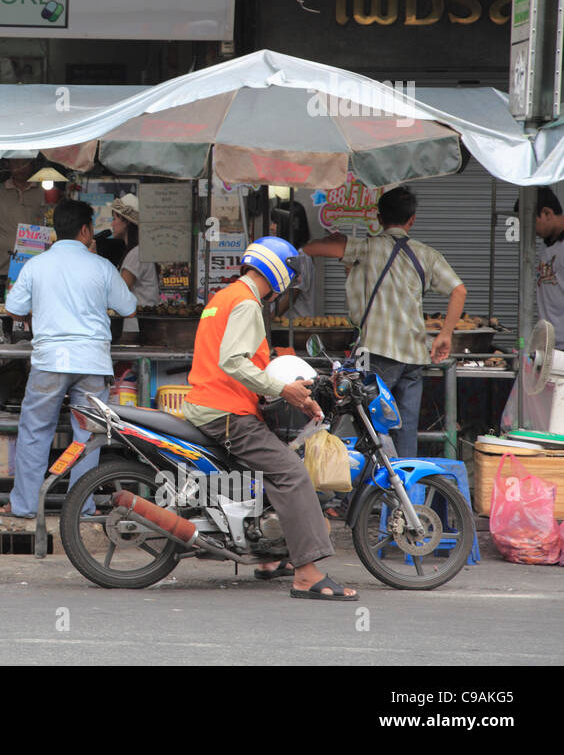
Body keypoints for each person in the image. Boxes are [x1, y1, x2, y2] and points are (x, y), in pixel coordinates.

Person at [181, 236, 357, 601]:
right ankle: (308, 574)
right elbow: (233, 362)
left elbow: (236, 363)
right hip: (226, 413)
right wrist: (283, 390)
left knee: (274, 464)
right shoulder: (245, 303)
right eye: (290, 274)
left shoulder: (225, 297)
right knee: (291, 474)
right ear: (277, 270)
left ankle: (270, 556)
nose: (290, 282)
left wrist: (292, 394)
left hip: (211, 404)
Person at [0, 199, 137, 518]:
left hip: (49, 361)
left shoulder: (36, 265)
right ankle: (81, 506)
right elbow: (129, 307)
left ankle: (25, 505)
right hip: (92, 361)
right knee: (87, 436)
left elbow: (13, 309)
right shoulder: (100, 267)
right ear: (86, 230)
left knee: (35, 431)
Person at [302, 186, 466, 458]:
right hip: (414, 356)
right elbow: (459, 290)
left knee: (365, 423)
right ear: (412, 219)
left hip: (377, 353)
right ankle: (407, 496)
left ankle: (367, 494)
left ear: (378, 218)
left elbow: (314, 248)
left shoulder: (367, 247)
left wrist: (317, 242)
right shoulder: (427, 255)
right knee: (405, 427)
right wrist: (444, 335)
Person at [0, 158, 46, 301]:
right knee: (1, 316)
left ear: (32, 164)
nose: (20, 167)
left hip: (35, 269)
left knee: (31, 316)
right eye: (16, 164)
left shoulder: (43, 192)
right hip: (1, 269)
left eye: (24, 163)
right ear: (8, 166)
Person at [517, 187, 564, 339]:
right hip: (549, 343)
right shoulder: (547, 244)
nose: (529, 230)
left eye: (531, 222)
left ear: (547, 213)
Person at [112, 194, 160, 332]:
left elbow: (119, 291)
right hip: (140, 324)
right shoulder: (139, 251)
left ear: (126, 222)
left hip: (136, 326)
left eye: (115, 219)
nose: (112, 224)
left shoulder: (136, 254)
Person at [271, 200, 315, 321]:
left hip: (296, 325)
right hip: (283, 324)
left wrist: (269, 318)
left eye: (276, 223)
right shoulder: (285, 253)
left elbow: (292, 295)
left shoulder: (301, 255)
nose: (272, 227)